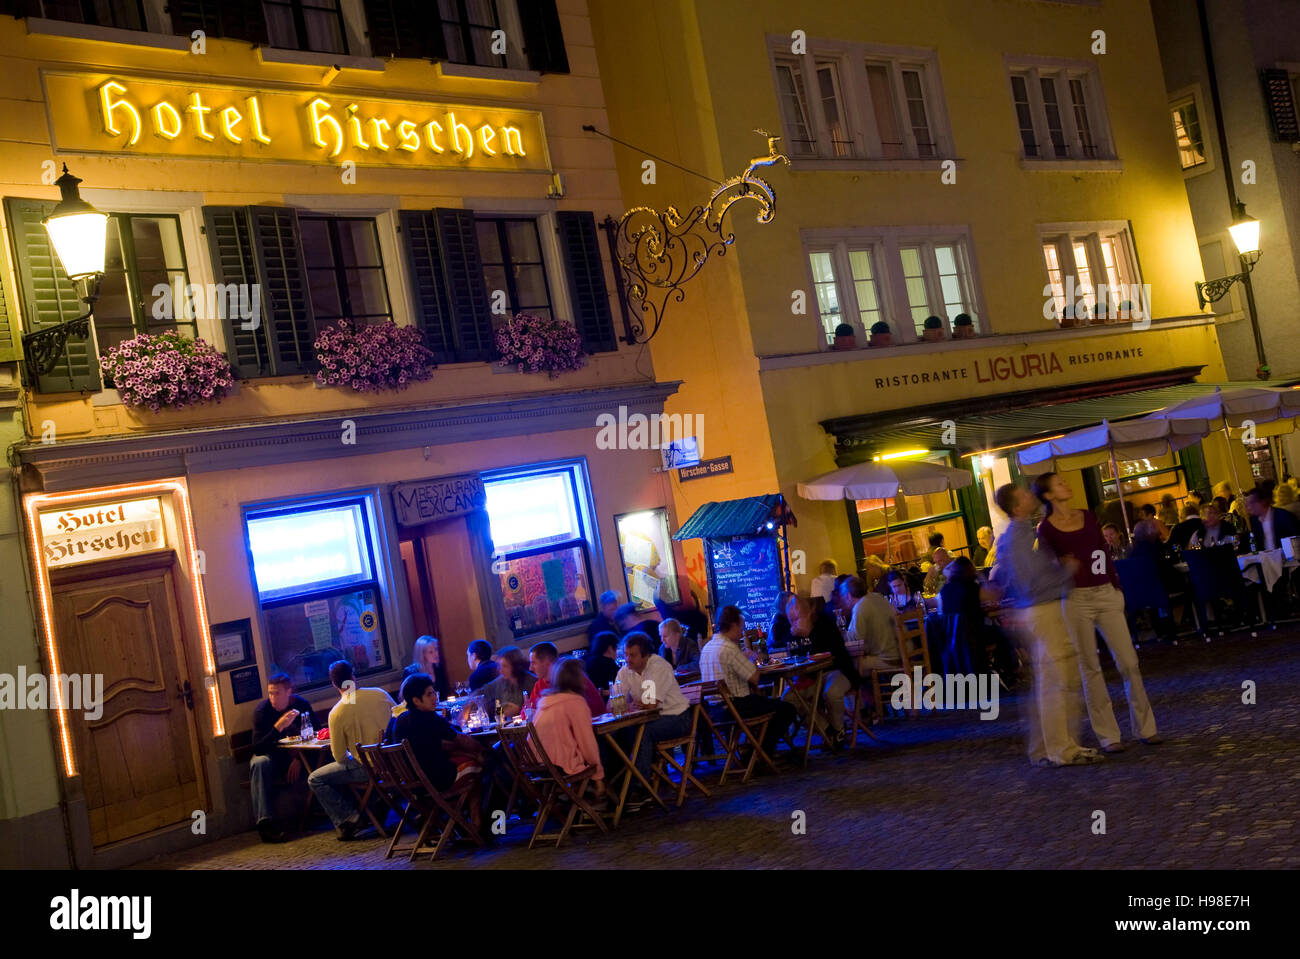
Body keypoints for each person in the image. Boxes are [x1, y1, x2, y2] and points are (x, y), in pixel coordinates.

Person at [1034, 472, 1160, 752]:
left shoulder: (1087, 516)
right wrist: (1059, 566)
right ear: (1048, 495)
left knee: (1129, 661)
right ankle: (1108, 735)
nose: (1066, 484)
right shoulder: (1047, 529)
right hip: (1075, 597)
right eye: (1059, 483)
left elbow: (1101, 549)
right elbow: (1046, 567)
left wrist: (1114, 585)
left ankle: (1145, 727)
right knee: (1090, 666)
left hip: (1104, 591)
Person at [994, 482, 1100, 767]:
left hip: (1034, 611)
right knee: (1058, 682)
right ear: (1017, 507)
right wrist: (1065, 569)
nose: (1032, 496)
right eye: (1026, 495)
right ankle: (1062, 748)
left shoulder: (1014, 537)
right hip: (1044, 609)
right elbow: (1032, 581)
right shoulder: (1020, 536)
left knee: (1047, 683)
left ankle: (1044, 748)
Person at [386, 673, 487, 835]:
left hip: (414, 787)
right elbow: (461, 739)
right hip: (439, 780)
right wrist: (483, 749)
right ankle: (476, 823)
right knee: (480, 767)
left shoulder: (401, 720)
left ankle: (455, 820)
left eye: (434, 692)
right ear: (416, 700)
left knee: (470, 762)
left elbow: (432, 744)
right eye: (429, 694)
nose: (434, 697)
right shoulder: (429, 718)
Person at [308, 661, 396, 839]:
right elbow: (399, 719)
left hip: (368, 769)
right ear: (353, 676)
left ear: (333, 684)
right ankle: (377, 805)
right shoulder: (380, 695)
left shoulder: (336, 713)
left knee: (315, 778)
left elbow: (339, 757)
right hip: (394, 762)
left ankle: (350, 819)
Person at [699, 605, 797, 757]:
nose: (741, 632)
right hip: (737, 706)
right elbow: (755, 678)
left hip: (714, 710)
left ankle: (755, 749)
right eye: (740, 627)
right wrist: (751, 657)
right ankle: (760, 753)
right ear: (733, 625)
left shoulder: (707, 648)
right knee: (787, 709)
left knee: (770, 704)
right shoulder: (729, 648)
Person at [616, 631, 692, 785]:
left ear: (645, 656)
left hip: (677, 717)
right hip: (649, 719)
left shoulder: (658, 667)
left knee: (642, 732)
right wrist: (626, 704)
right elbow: (613, 705)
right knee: (618, 734)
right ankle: (622, 785)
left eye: (632, 655)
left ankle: (640, 786)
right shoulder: (625, 671)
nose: (627, 660)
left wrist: (629, 704)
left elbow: (650, 704)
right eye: (626, 654)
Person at [531, 658, 610, 807]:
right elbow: (586, 742)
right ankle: (601, 800)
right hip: (561, 765)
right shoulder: (574, 702)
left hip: (538, 766)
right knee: (606, 748)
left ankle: (573, 800)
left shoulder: (545, 702)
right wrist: (598, 777)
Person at [788, 591, 862, 748]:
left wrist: (808, 634)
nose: (794, 622)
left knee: (831, 692)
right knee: (789, 699)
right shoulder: (795, 632)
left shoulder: (825, 623)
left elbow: (832, 653)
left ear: (808, 612)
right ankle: (827, 731)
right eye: (792, 619)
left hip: (837, 670)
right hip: (811, 677)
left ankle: (838, 730)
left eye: (797, 617)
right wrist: (797, 637)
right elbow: (795, 657)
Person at [249, 673, 312, 843]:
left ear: (288, 692)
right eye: (270, 693)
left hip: (298, 758)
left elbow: (316, 735)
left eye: (277, 693)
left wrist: (299, 758)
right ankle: (265, 824)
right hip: (273, 759)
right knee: (259, 763)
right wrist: (278, 727)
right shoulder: (262, 711)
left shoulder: (301, 705)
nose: (272, 698)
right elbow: (258, 748)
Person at [525, 642, 605, 717]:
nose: (530, 668)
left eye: (534, 663)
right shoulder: (539, 685)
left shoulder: (572, 677)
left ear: (547, 662)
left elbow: (592, 710)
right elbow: (527, 710)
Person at [480, 645, 536, 719]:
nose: (500, 670)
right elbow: (480, 693)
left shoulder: (532, 682)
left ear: (516, 666)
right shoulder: (500, 681)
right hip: (508, 727)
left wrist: (518, 709)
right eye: (500, 666)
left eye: (505, 666)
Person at [1246, 482, 1300, 551]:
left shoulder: (1283, 516)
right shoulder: (1254, 521)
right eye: (1248, 504)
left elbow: (1295, 541)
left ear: (1263, 502)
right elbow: (1257, 546)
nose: (1249, 507)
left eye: (1252, 503)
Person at [404, 635, 450, 699]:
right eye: (431, 652)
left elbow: (444, 693)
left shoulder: (438, 668)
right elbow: (409, 698)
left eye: (436, 649)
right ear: (422, 654)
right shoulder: (411, 672)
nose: (436, 654)